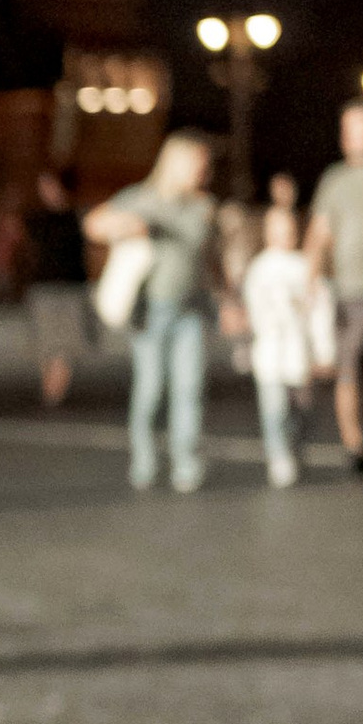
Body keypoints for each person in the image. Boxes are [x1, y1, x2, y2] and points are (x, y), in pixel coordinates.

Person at [87, 128, 219, 495]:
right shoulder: (141, 199)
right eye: (196, 163)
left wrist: (226, 299)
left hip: (190, 308)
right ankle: (144, 460)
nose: (202, 172)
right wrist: (127, 224)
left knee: (189, 388)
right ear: (175, 163)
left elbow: (208, 261)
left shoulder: (203, 207)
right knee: (151, 388)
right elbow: (93, 224)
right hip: (150, 309)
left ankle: (186, 464)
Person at [303, 100, 363, 477]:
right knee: (348, 372)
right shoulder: (336, 179)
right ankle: (353, 444)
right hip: (349, 294)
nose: (353, 134)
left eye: (362, 126)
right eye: (348, 127)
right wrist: (308, 282)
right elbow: (320, 235)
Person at [239, 196, 318, 490]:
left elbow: (318, 306)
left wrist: (321, 348)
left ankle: (296, 447)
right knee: (274, 409)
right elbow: (255, 310)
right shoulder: (259, 269)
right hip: (271, 352)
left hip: (299, 352)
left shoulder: (303, 266)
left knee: (302, 408)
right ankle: (279, 455)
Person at [24, 166, 91, 406]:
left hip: (71, 287)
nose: (47, 191)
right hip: (42, 286)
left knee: (65, 341)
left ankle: (54, 391)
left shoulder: (78, 216)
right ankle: (49, 387)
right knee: (45, 342)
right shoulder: (34, 218)